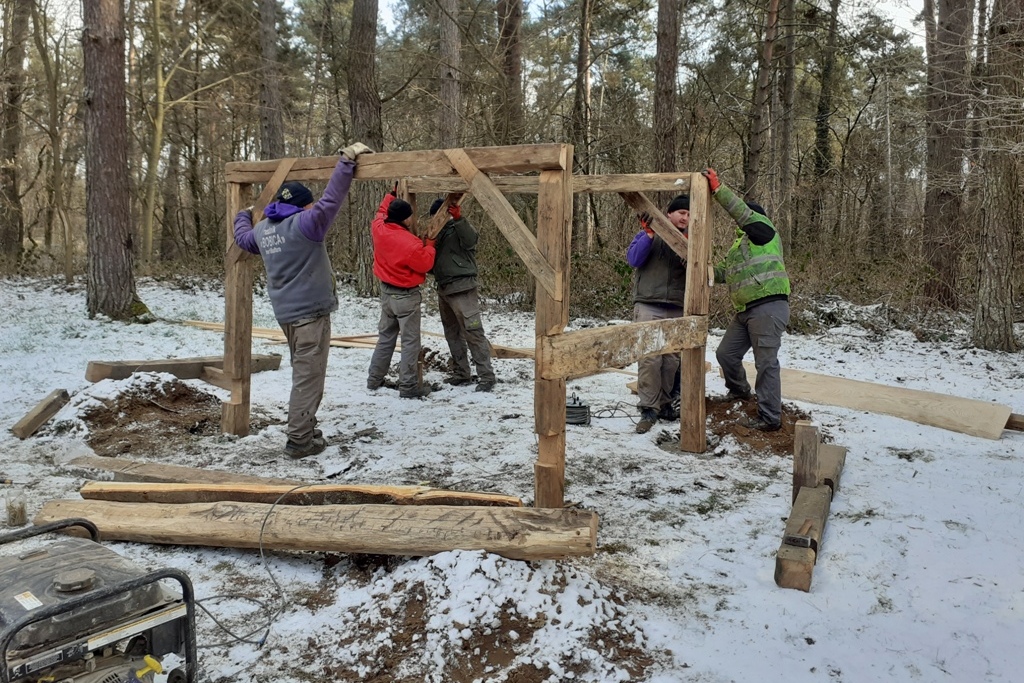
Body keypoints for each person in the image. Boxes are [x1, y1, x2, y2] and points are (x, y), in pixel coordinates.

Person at [233, 142, 374, 458]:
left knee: (304, 372)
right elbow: (332, 198)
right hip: (310, 316)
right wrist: (346, 162)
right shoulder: (306, 225)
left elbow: (242, 237)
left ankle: (305, 427)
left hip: (287, 315)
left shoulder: (264, 230)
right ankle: (299, 441)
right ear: (301, 206)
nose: (314, 209)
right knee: (308, 379)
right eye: (310, 205)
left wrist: (243, 215)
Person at [702, 167, 791, 432]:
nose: (743, 221)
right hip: (745, 311)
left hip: (768, 307)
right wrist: (698, 268)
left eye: (747, 217)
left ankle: (769, 417)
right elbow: (724, 274)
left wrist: (718, 190)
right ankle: (740, 391)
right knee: (725, 354)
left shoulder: (766, 232)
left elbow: (742, 213)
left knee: (766, 363)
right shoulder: (739, 248)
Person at [625, 195, 689, 434]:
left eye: (690, 214)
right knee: (650, 358)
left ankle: (665, 404)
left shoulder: (692, 240)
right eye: (681, 212)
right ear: (669, 214)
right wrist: (649, 235)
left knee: (671, 360)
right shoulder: (648, 233)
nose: (685, 218)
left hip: (676, 306)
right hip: (649, 304)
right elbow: (633, 259)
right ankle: (648, 409)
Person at [366, 188, 437, 399]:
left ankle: (374, 379)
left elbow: (381, 210)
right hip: (405, 297)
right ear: (406, 219)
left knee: (385, 338)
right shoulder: (411, 243)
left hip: (386, 294)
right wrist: (431, 246)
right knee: (410, 342)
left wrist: (391, 194)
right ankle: (408, 387)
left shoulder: (378, 227)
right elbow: (425, 264)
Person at [428, 197, 497, 393]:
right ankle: (461, 373)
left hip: (463, 288)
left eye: (438, 216)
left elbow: (471, 240)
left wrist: (459, 218)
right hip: (444, 288)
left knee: (473, 332)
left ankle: (486, 376)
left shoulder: (457, 228)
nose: (435, 219)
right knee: (452, 333)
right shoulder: (435, 234)